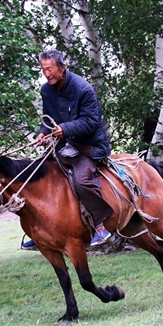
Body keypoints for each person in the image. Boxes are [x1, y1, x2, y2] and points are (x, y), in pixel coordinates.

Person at [21, 49, 114, 250]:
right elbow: (48, 118)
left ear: (63, 68)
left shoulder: (83, 89)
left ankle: (99, 226)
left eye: (50, 69)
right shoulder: (46, 90)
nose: (46, 74)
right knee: (36, 177)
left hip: (88, 147)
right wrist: (42, 132)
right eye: (43, 70)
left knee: (82, 182)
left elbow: (91, 122)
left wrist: (65, 129)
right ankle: (38, 232)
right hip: (63, 146)